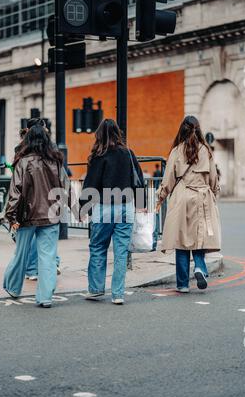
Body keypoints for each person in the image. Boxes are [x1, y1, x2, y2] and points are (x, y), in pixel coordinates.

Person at [80, 118, 146, 305]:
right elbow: (138, 179)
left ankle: (96, 289)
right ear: (118, 133)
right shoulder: (128, 153)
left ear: (99, 134)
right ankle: (118, 294)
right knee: (121, 252)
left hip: (104, 208)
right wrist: (140, 204)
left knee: (98, 248)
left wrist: (83, 207)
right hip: (126, 208)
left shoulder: (98, 155)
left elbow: (90, 184)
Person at [156, 115, 221, 293]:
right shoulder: (206, 151)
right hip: (202, 196)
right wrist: (213, 194)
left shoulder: (176, 151)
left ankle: (183, 284)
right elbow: (214, 179)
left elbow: (168, 179)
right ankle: (199, 267)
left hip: (182, 196)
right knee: (199, 237)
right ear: (198, 130)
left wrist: (160, 198)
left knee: (182, 240)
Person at [3, 119, 63, 308]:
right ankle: (45, 297)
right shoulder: (56, 160)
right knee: (48, 257)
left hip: (26, 216)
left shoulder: (22, 161)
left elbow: (15, 192)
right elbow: (65, 186)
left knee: (21, 254)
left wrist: (11, 216)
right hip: (51, 215)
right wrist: (75, 208)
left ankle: (13, 288)